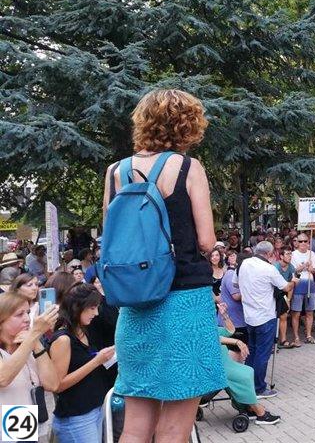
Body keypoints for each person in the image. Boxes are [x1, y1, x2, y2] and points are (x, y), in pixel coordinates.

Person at [102, 89, 226, 442]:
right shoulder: (187, 167)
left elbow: (114, 236)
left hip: (135, 303)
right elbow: (205, 240)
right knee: (176, 427)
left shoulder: (115, 172)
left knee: (136, 425)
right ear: (187, 126)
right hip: (183, 302)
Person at [49, 284, 113, 443]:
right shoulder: (63, 339)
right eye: (92, 308)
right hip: (76, 417)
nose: (96, 313)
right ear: (78, 307)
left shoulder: (85, 331)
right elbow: (58, 384)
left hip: (93, 410)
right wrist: (96, 361)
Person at [237, 241, 298, 396]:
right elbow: (285, 287)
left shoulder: (244, 264)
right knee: (262, 354)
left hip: (249, 315)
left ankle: (249, 383)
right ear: (269, 254)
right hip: (265, 315)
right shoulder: (268, 268)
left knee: (253, 350)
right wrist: (294, 281)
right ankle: (259, 388)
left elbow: (236, 283)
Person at [0, 293, 59, 442]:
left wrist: (37, 344)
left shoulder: (27, 344)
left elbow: (52, 384)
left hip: (24, 423)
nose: (27, 319)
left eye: (27, 312)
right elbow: (3, 378)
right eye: (19, 314)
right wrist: (35, 333)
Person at [290, 233, 315, 345]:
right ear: (297, 243)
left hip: (310, 285)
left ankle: (309, 335)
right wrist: (304, 266)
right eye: (300, 241)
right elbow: (294, 270)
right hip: (298, 285)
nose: (303, 243)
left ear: (308, 242)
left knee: (309, 311)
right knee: (296, 312)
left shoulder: (312, 254)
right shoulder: (293, 254)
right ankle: (296, 337)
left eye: (305, 241)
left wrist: (310, 268)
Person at [272, 249, 296, 348]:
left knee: (284, 316)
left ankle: (283, 339)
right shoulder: (275, 267)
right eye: (287, 254)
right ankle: (272, 343)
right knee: (273, 317)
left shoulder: (291, 267)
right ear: (281, 256)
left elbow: (292, 284)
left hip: (285, 292)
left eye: (290, 254)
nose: (290, 256)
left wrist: (288, 300)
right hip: (274, 292)